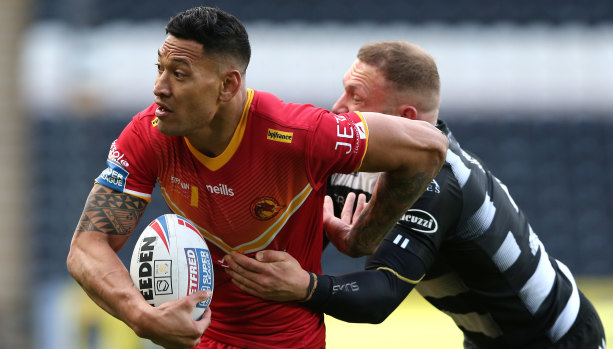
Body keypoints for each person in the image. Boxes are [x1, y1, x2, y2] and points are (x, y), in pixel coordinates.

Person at [65, 7, 448, 349]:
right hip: (200, 338)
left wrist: (362, 237)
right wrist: (141, 315)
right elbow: (86, 246)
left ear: (228, 85)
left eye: (179, 74)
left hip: (287, 341)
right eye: (160, 68)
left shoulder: (299, 134)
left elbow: (428, 147)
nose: (159, 87)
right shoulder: (150, 133)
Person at [224, 41, 607, 349]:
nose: (339, 108)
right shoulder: (359, 160)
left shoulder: (437, 182)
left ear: (406, 119)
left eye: (356, 96)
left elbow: (380, 296)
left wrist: (307, 286)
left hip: (558, 338)